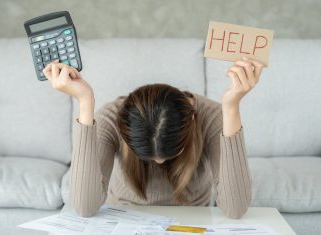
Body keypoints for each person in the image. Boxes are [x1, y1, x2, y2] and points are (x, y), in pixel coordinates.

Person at [43, 56, 265, 219]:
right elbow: (84, 207)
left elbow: (235, 209)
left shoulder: (212, 116)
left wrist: (232, 107)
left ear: (192, 122)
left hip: (192, 219)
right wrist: (85, 103)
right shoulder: (109, 118)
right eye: (148, 156)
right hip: (125, 217)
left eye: (172, 152)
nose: (159, 162)